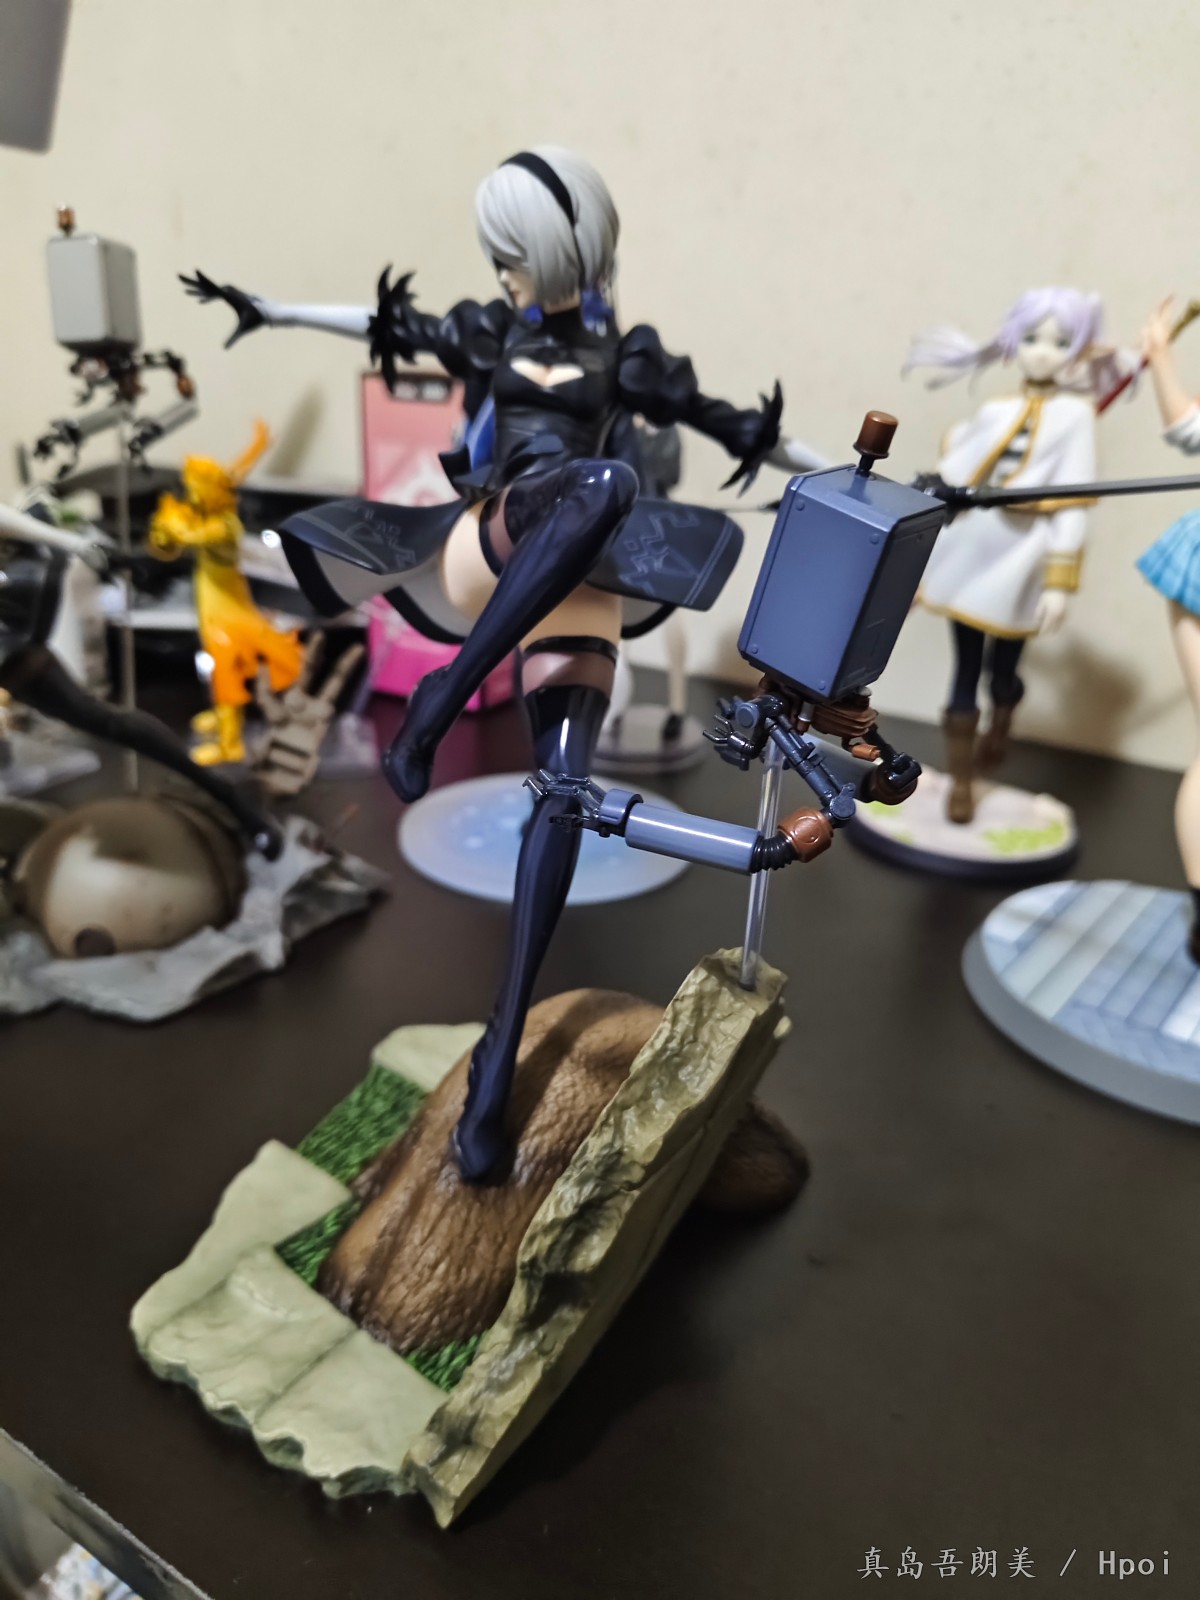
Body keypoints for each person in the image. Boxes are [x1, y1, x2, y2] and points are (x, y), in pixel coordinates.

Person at [186, 145, 803, 1181]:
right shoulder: (490, 330)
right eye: (499, 254)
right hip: (496, 542)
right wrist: (272, 309)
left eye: (513, 253)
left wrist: (875, 484)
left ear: (564, 250)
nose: (504, 271)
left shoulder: (630, 356)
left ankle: (492, 1071)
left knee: (562, 795)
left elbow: (745, 430)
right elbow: (381, 324)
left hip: (584, 583)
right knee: (601, 484)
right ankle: (444, 695)